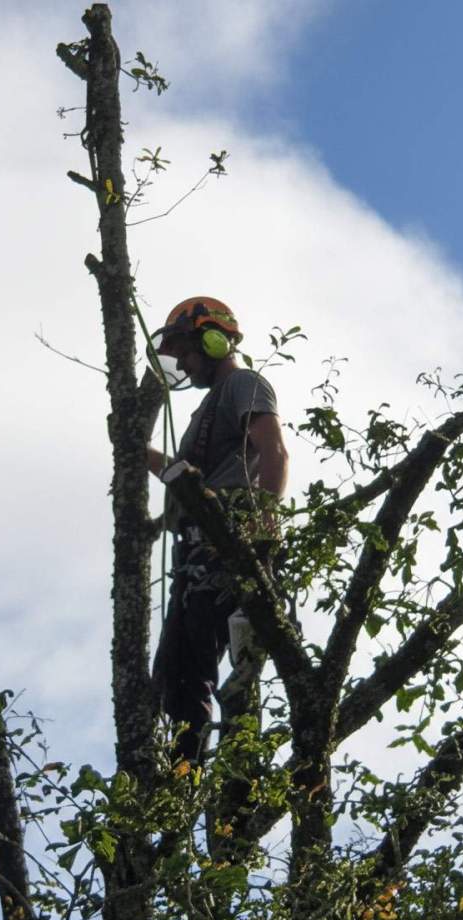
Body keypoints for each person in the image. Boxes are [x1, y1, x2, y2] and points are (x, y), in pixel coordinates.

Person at [148, 296, 289, 762]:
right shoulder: (205, 411)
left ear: (212, 340)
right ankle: (181, 775)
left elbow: (273, 450)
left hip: (225, 546)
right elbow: (189, 478)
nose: (184, 364)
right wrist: (138, 452)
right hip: (194, 557)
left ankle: (210, 773)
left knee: (203, 678)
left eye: (186, 352)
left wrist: (264, 524)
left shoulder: (243, 384)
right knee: (175, 675)